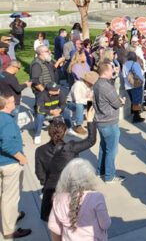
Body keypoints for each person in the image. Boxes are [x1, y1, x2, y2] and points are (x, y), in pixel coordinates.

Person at [35, 106, 97, 222]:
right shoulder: (71, 147)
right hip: (70, 188)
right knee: (72, 217)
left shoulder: (40, 150)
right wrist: (89, 120)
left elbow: (39, 173)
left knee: (52, 220)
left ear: (49, 133)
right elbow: (91, 140)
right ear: (64, 133)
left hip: (51, 188)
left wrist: (46, 184)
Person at [48, 158, 111, 240]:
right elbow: (105, 224)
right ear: (89, 178)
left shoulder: (58, 199)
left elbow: (53, 226)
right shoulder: (96, 197)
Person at [0, 94, 31, 239]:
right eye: (12, 101)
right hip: (9, 164)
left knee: (3, 195)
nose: (15, 103)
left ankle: (11, 216)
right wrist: (21, 158)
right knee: (10, 198)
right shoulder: (6, 120)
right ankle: (9, 229)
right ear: (6, 105)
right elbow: (6, 144)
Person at [93, 62, 125, 183]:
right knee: (111, 150)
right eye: (111, 69)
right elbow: (116, 103)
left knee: (104, 147)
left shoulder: (98, 83)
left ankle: (100, 171)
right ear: (106, 71)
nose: (113, 70)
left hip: (101, 120)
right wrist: (121, 101)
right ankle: (109, 176)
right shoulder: (106, 87)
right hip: (109, 122)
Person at [68, 71, 98, 136]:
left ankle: (92, 121)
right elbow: (77, 100)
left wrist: (91, 100)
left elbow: (92, 97)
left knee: (93, 103)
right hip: (71, 103)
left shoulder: (91, 86)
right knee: (80, 105)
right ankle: (78, 125)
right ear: (87, 81)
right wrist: (90, 99)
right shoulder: (78, 85)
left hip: (84, 102)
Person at [122, 52, 145, 124]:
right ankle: (136, 117)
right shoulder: (135, 64)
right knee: (136, 102)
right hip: (136, 85)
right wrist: (142, 81)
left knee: (133, 101)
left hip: (128, 86)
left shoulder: (124, 64)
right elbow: (139, 75)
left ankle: (135, 114)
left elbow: (124, 75)